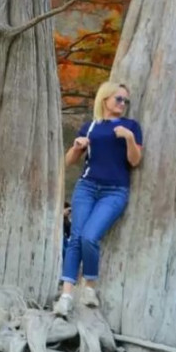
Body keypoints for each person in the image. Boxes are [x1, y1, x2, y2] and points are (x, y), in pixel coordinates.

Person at [54, 82, 142, 316]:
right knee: (75, 238)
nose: (122, 104)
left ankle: (89, 285)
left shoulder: (131, 126)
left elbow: (134, 161)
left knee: (90, 237)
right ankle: (66, 295)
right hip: (87, 187)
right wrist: (76, 146)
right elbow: (69, 161)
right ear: (105, 100)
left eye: (125, 101)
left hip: (115, 191)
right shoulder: (90, 126)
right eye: (118, 99)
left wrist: (129, 138)